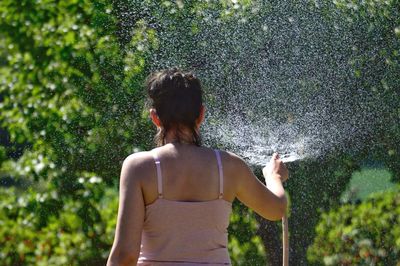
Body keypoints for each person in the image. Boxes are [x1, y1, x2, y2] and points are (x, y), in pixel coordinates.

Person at [107, 68, 288, 266]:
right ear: (201, 115)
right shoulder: (229, 165)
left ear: (155, 117)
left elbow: (125, 256)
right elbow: (276, 209)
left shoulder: (139, 167)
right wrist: (273, 176)